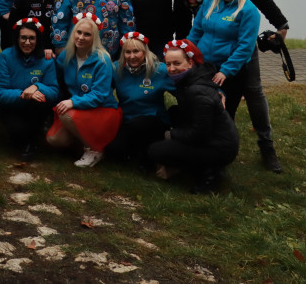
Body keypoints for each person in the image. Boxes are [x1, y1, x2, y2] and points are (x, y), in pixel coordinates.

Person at [186, 0, 282, 173]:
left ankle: (224, 156)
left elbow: (245, 47)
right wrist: (187, 53)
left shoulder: (248, 10)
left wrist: (225, 71)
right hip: (205, 65)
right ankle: (201, 150)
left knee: (224, 112)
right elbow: (197, 32)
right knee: (202, 107)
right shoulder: (210, 1)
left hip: (229, 70)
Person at [148, 39, 240, 193]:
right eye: (168, 64)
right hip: (212, 136)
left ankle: (209, 175)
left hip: (219, 147)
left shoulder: (197, 91)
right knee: (174, 112)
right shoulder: (190, 79)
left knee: (155, 151)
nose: (171, 68)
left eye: (177, 63)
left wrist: (172, 134)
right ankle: (200, 164)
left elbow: (200, 134)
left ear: (190, 63)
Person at [46, 14, 122, 168]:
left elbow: (99, 95)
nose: (81, 37)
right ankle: (84, 143)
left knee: (65, 114)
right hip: (80, 108)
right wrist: (45, 56)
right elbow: (53, 77)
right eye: (78, 32)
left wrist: (72, 101)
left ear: (94, 37)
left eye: (87, 34)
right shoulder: (66, 57)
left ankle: (95, 150)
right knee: (54, 140)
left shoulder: (102, 60)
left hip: (101, 108)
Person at [0, 18, 57, 160]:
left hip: (36, 107)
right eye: (23, 38)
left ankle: (31, 143)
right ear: (17, 38)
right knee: (17, 134)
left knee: (38, 102)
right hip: (13, 105)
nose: (27, 42)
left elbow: (53, 91)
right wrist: (23, 94)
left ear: (38, 39)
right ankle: (22, 135)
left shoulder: (46, 59)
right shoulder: (6, 56)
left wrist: (37, 87)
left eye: (32, 38)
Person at [107, 32, 171, 169]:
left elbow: (185, 85)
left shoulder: (160, 70)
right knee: (114, 151)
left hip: (153, 121)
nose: (132, 56)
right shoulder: (116, 69)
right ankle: (136, 151)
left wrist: (216, 92)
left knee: (139, 125)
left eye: (136, 51)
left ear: (145, 52)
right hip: (127, 120)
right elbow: (102, 89)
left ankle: (152, 149)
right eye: (127, 52)